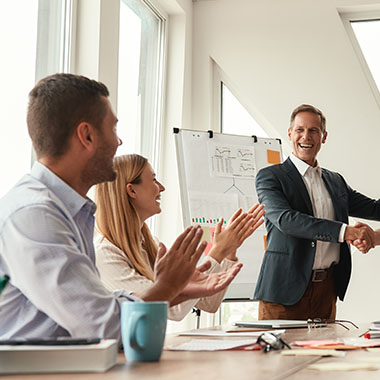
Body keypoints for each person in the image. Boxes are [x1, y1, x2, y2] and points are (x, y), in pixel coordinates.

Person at [0, 73, 240, 340]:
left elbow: (99, 303)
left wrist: (173, 290)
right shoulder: (35, 215)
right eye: (112, 128)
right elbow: (103, 325)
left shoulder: (67, 211)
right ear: (86, 136)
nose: (118, 142)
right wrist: (167, 287)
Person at [94, 154, 265, 320]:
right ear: (131, 190)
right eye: (153, 180)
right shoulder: (105, 253)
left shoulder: (148, 243)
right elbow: (171, 309)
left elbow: (209, 303)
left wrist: (229, 250)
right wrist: (218, 252)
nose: (161, 187)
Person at [254, 104, 380, 320]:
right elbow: (287, 221)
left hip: (327, 291)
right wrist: (346, 232)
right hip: (283, 292)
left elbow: (374, 208)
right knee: (277, 354)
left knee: (324, 353)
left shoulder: (335, 180)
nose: (306, 136)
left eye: (314, 130)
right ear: (290, 133)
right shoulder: (270, 177)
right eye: (300, 130)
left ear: (324, 136)